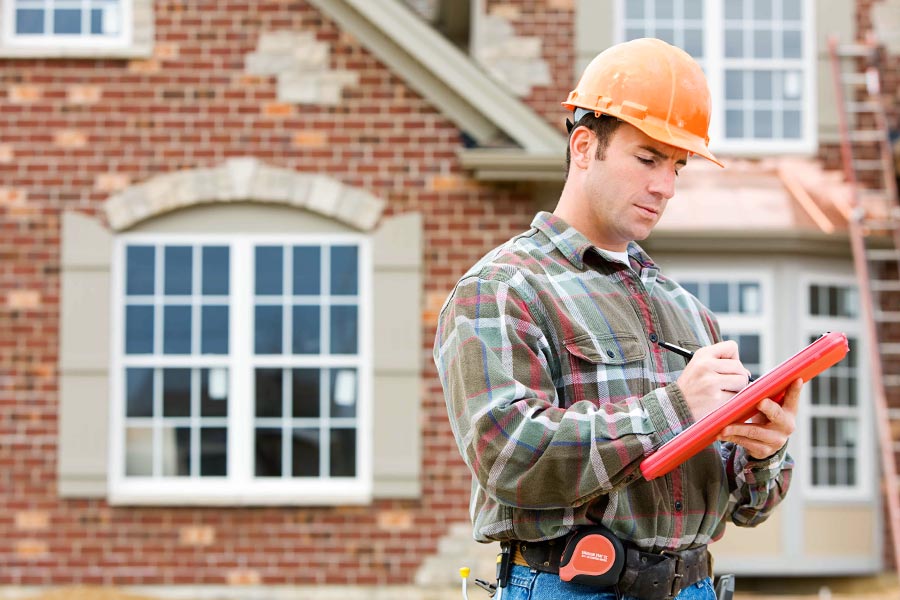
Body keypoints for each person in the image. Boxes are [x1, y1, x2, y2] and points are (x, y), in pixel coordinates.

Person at [433, 38, 802, 600]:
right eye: (648, 158)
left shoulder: (689, 313)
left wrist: (761, 453)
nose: (666, 186)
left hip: (693, 588)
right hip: (571, 584)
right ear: (584, 146)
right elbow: (507, 453)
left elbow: (745, 507)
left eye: (677, 165)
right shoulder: (502, 288)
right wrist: (675, 407)